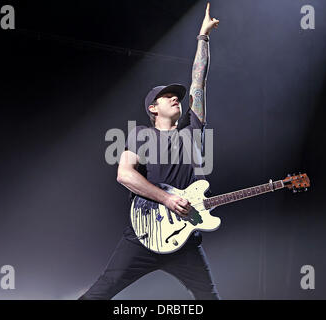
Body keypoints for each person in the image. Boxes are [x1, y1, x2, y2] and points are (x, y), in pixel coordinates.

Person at [79, 3, 220, 300]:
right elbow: (124, 175)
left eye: (176, 97)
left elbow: (199, 81)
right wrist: (168, 198)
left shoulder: (192, 132)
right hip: (142, 235)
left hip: (183, 241)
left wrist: (203, 37)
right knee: (100, 292)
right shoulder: (140, 134)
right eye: (167, 96)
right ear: (153, 108)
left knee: (209, 298)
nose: (175, 99)